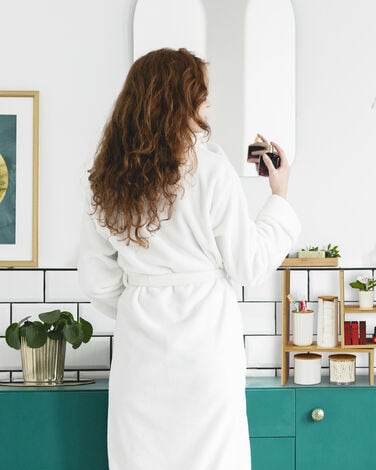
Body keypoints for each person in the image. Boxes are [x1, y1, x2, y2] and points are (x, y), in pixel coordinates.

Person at [78, 48, 300, 470]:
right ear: (181, 100)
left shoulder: (106, 179)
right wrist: (279, 196)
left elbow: (97, 280)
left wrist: (141, 302)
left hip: (140, 354)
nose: (208, 103)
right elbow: (249, 264)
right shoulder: (210, 171)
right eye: (201, 93)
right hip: (205, 348)